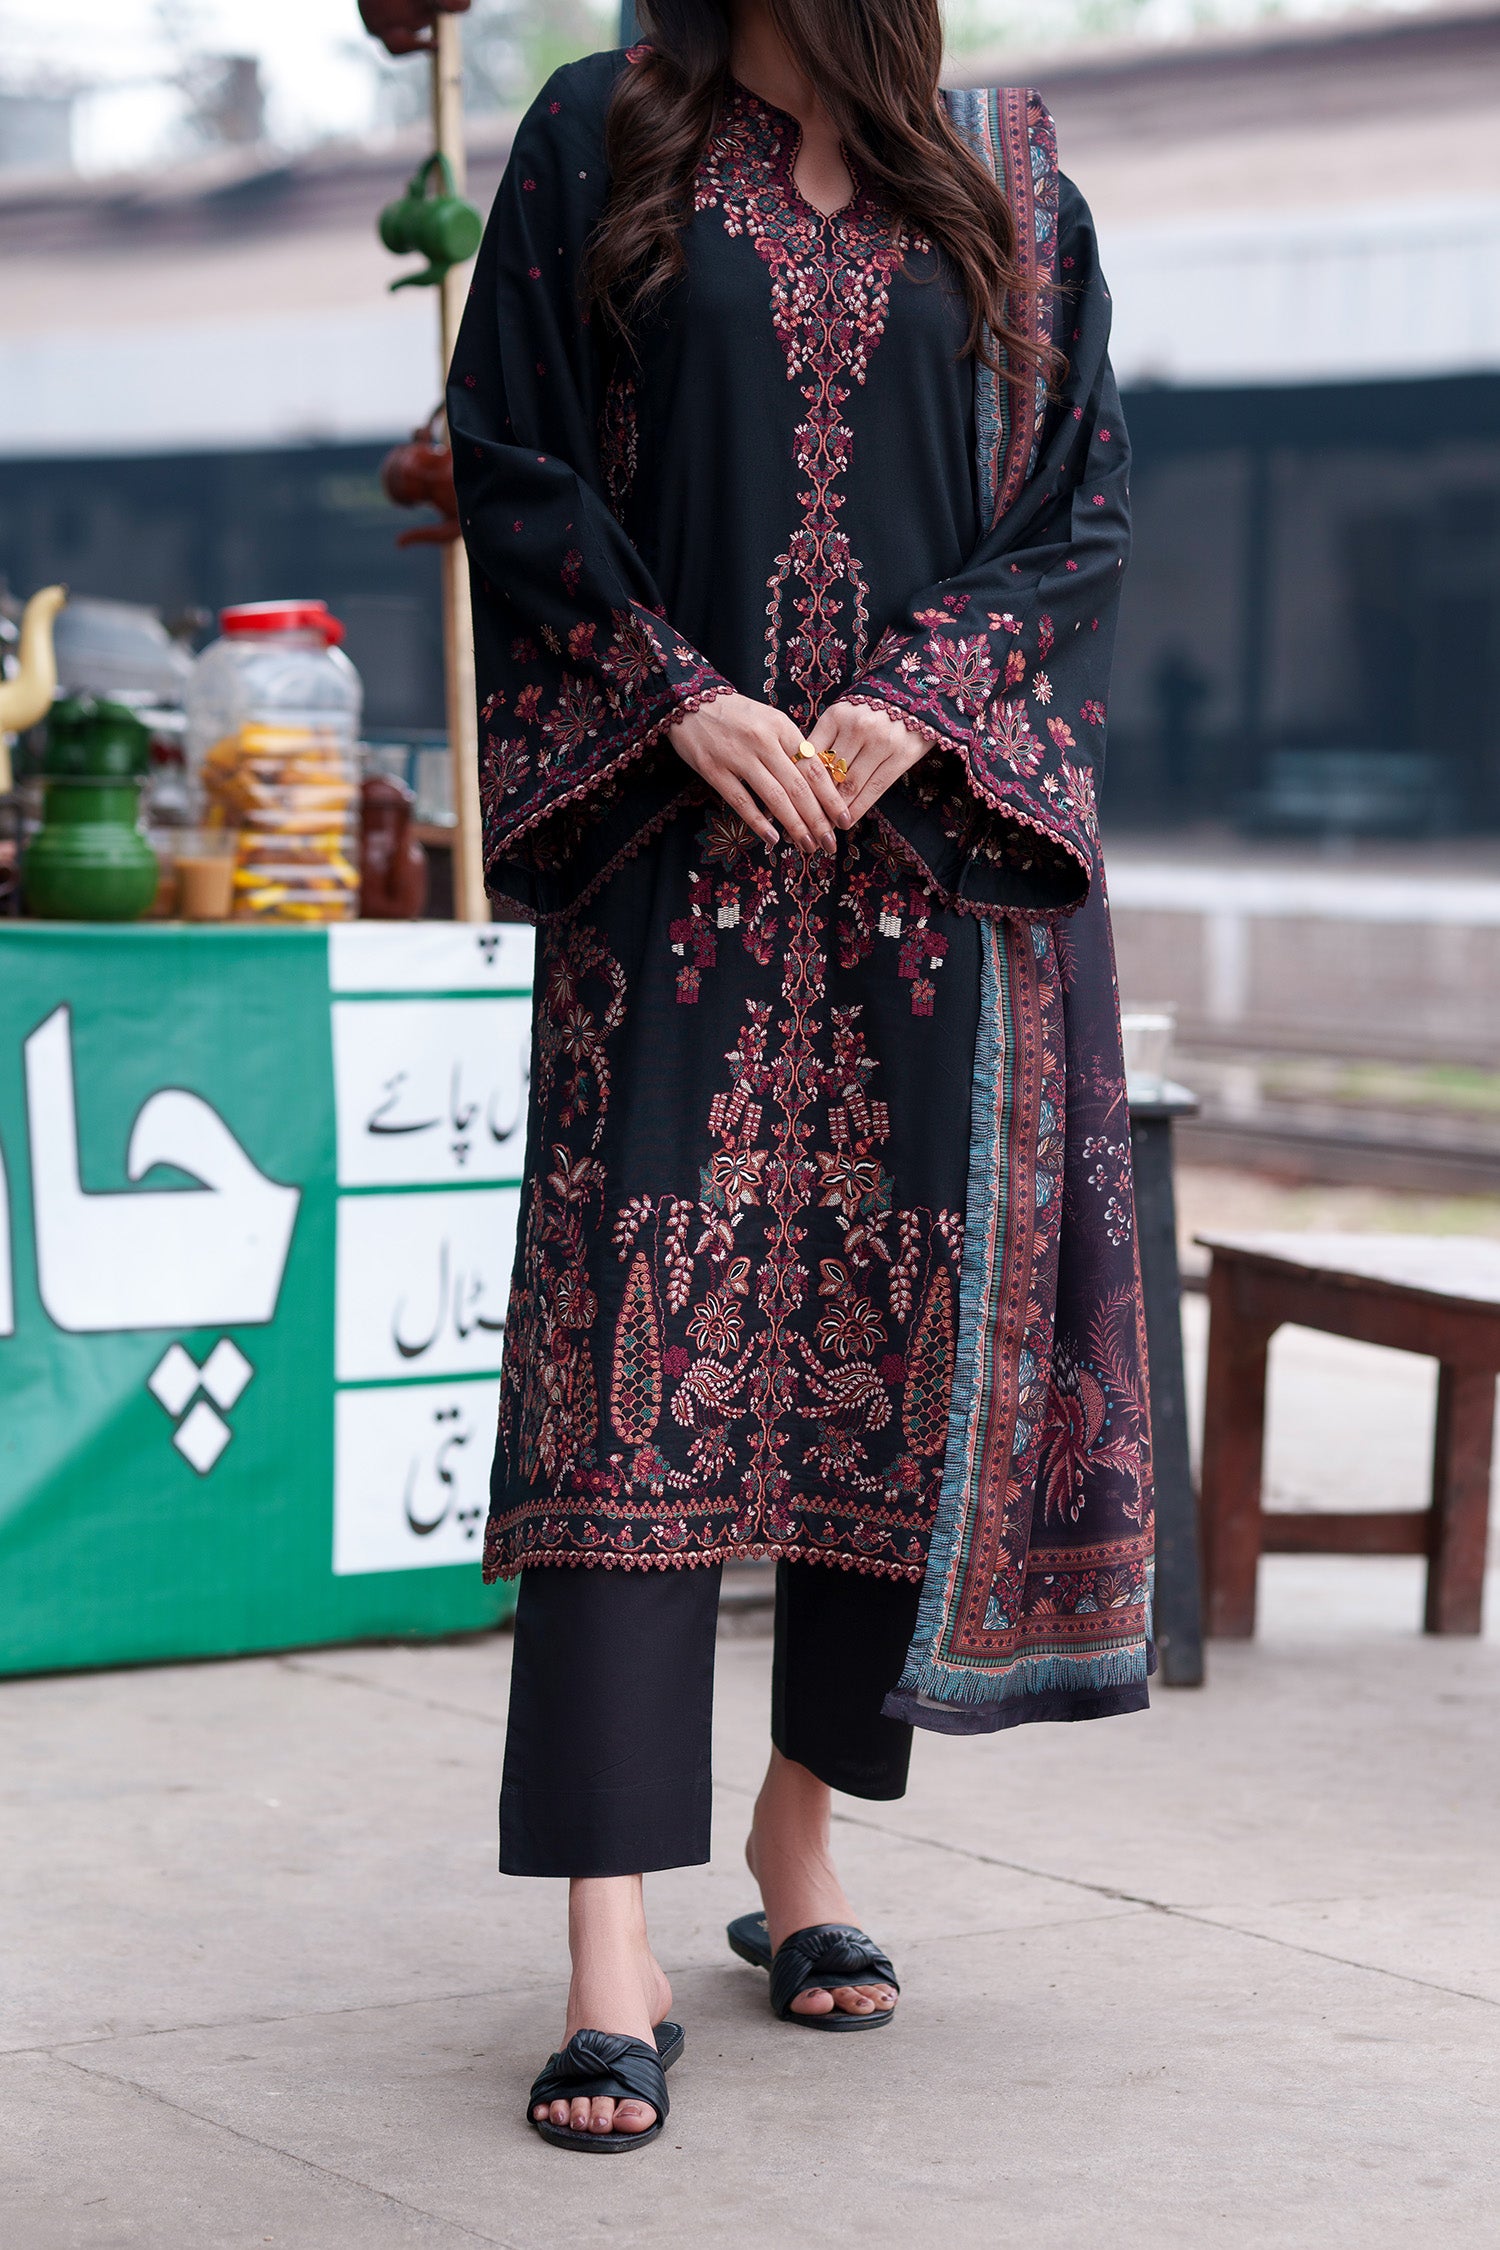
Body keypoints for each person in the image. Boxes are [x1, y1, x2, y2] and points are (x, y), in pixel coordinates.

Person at [446, 0, 1154, 2153]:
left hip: (928, 875)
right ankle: (609, 1945)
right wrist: (674, 697)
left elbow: (1080, 507)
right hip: (677, 867)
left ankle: (800, 1833)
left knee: (892, 1368)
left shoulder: (1004, 179)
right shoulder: (604, 134)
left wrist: (926, 698)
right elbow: (514, 458)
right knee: (632, 1377)